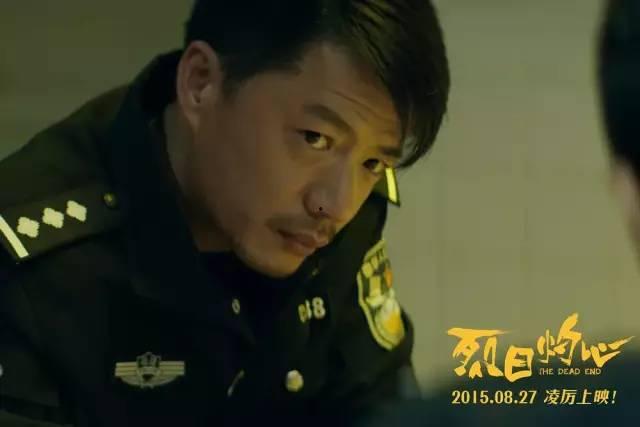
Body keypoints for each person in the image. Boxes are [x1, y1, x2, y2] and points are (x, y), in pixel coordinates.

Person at [0, 1, 450, 426]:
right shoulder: (34, 264)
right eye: (314, 138)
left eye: (373, 163)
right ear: (201, 83)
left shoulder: (342, 214)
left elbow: (381, 403)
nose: (336, 205)